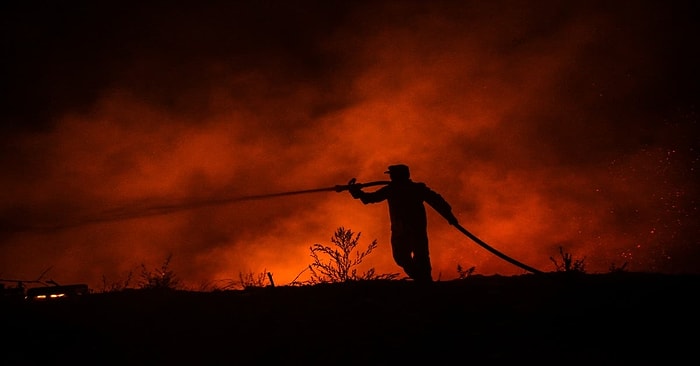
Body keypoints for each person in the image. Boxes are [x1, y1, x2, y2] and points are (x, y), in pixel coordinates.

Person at [347, 164, 459, 282]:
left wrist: (449, 216)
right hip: (402, 230)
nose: (391, 178)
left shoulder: (411, 189)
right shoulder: (394, 189)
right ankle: (422, 279)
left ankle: (424, 281)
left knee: (418, 256)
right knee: (403, 257)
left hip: (412, 229)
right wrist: (356, 192)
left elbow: (437, 201)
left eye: (393, 175)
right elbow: (370, 198)